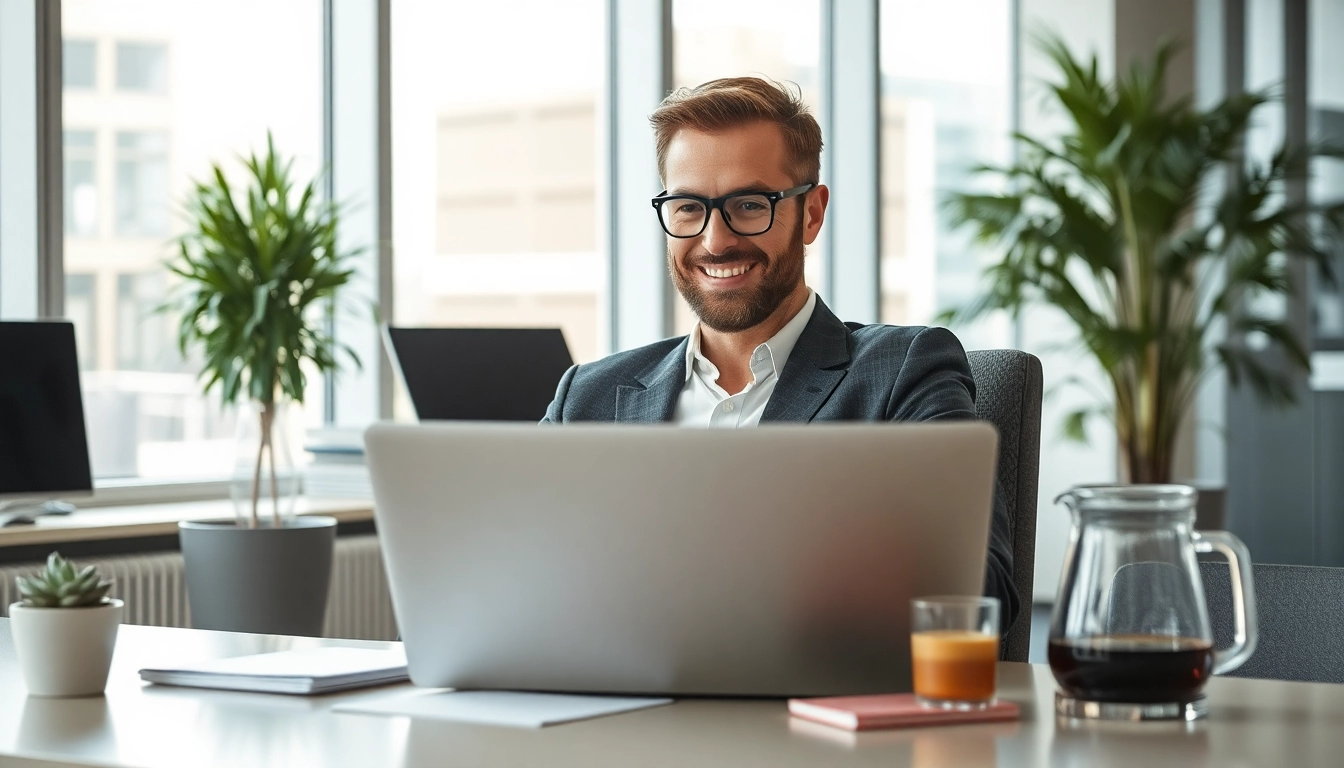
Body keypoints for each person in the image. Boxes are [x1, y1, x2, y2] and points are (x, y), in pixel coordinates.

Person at [542, 76, 1018, 632]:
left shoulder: (905, 369)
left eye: (749, 205)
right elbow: (518, 578)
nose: (715, 241)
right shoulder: (588, 397)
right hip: (618, 683)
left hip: (815, 682)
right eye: (688, 207)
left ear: (811, 213)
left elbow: (980, 592)